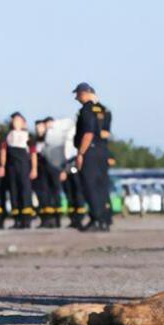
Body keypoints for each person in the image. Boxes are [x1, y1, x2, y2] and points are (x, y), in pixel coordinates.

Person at [72, 83, 111, 231]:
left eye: (78, 94)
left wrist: (81, 153)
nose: (76, 98)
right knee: (101, 187)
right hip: (102, 151)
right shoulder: (102, 110)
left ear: (84, 93)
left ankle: (96, 219)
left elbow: (88, 134)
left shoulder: (86, 110)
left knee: (90, 186)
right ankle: (104, 220)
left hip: (90, 151)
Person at [3, 112, 37, 229]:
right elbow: (3, 152)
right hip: (12, 167)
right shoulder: (8, 135)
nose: (16, 122)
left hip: (24, 166)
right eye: (14, 120)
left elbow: (33, 154)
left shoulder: (28, 136)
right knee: (14, 192)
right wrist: (3, 166)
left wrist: (34, 168)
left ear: (24, 122)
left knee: (25, 192)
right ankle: (17, 219)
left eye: (19, 120)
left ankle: (26, 220)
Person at [33, 118, 64, 228]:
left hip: (54, 169)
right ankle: (45, 220)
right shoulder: (36, 140)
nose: (39, 129)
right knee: (44, 195)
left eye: (42, 127)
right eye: (38, 128)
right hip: (42, 171)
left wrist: (62, 170)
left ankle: (56, 220)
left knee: (55, 194)